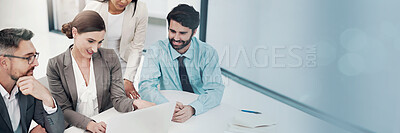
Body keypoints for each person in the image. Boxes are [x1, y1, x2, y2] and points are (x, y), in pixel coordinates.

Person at [46, 10, 154, 133]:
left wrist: (138, 103)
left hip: (105, 123)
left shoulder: (110, 57)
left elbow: (118, 99)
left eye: (100, 42)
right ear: (75, 32)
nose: (95, 49)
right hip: (75, 127)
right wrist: (89, 124)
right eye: (91, 41)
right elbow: (64, 109)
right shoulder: (55, 65)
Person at [139, 4, 225, 123]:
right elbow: (146, 86)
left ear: (194, 32)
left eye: (182, 33)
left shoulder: (207, 53)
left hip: (200, 110)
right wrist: (166, 106)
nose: (176, 38)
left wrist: (193, 108)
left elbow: (215, 90)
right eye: (172, 31)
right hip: (169, 110)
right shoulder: (156, 50)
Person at [0, 28, 64, 133]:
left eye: (35, 56)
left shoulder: (27, 86)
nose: (36, 63)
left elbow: (56, 130)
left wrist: (47, 98)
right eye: (28, 58)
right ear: (4, 63)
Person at [84, 0, 148, 99]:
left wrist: (128, 79)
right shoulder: (94, 8)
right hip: (95, 61)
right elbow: (82, 43)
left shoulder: (140, 9)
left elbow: (137, 47)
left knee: (122, 102)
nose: (124, 1)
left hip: (122, 63)